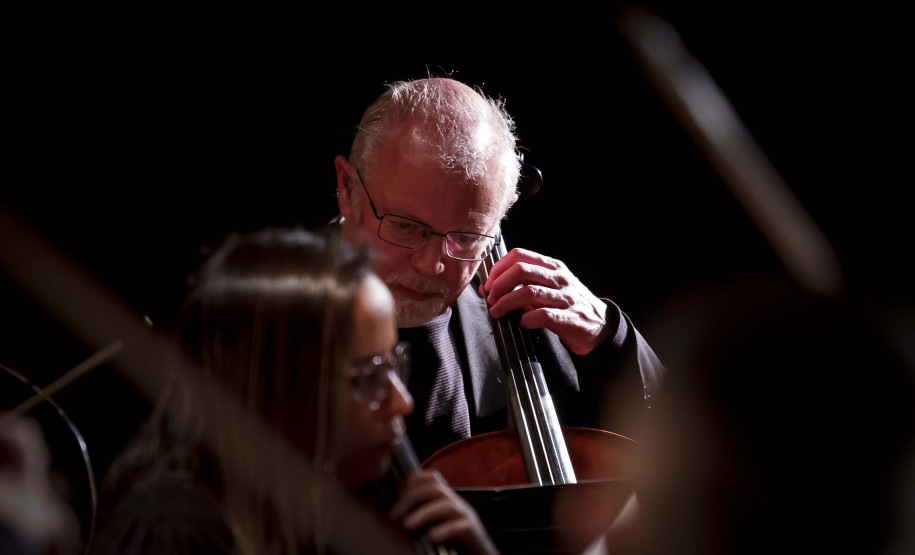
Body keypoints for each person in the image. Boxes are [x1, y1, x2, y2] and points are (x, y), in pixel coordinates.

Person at [88, 227, 499, 555]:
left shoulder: (343, 508)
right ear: (278, 388)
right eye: (367, 376)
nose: (402, 401)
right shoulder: (172, 532)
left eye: (393, 365)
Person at [332, 76, 667, 465]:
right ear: (347, 189)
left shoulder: (525, 319)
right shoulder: (271, 308)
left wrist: (610, 337)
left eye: (466, 236)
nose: (432, 264)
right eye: (405, 226)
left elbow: (691, 446)